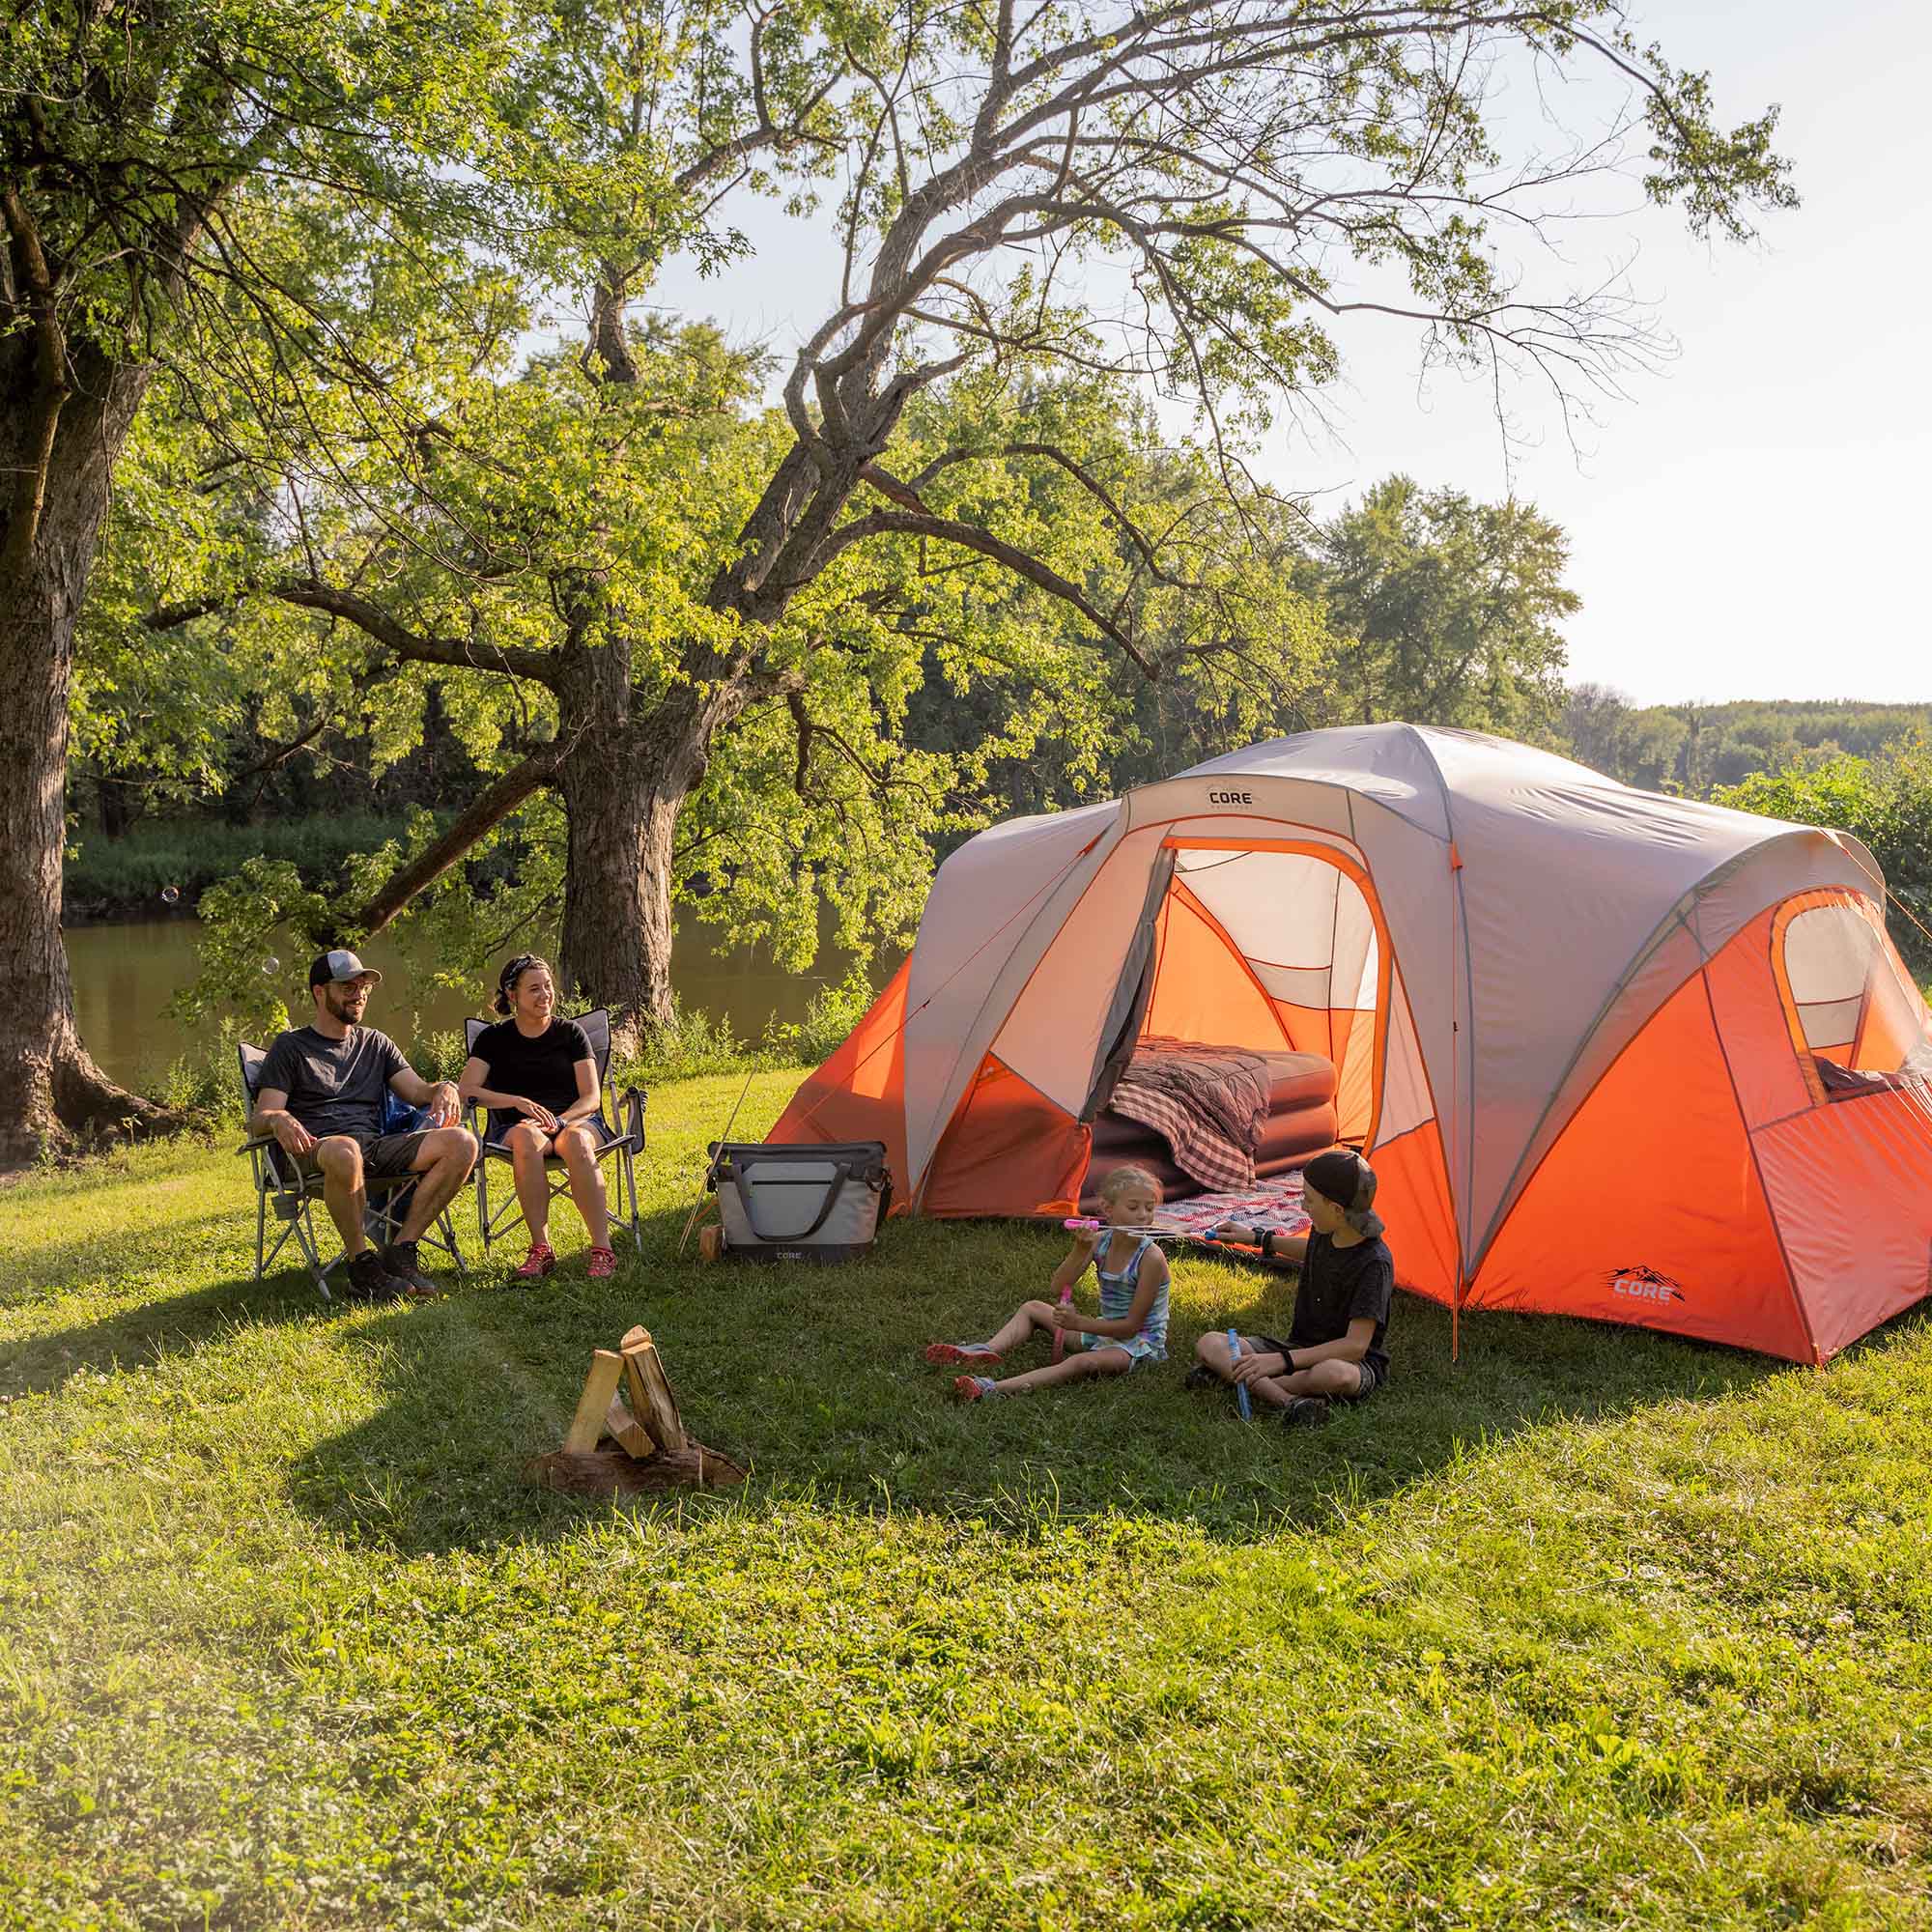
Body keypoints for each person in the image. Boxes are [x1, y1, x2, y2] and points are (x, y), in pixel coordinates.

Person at [250, 950, 478, 1300]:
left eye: (363, 987)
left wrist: (444, 1087)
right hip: (314, 1149)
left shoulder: (375, 1043)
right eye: (348, 987)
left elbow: (417, 1090)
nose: (358, 994)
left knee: (462, 1143)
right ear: (320, 992)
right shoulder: (291, 1047)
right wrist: (279, 1119)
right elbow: (261, 1118)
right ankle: (361, 1265)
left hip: (371, 1147)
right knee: (345, 1149)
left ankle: (401, 1250)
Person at [923, 1164, 1171, 1401]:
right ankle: (984, 1350)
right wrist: (1080, 1247)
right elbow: (1058, 1286)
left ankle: (991, 1388)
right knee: (1032, 1308)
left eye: (1149, 1208)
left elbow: (1130, 1327)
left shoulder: (1151, 1258)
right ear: (1108, 1208)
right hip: (1103, 1331)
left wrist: (1079, 1323)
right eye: (1133, 1207)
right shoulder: (1100, 1242)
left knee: (1082, 1363)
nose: (1143, 1216)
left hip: (1138, 1345)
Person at [1191, 1148, 1393, 1427]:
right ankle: (1290, 1401)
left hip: (1347, 1362)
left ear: (1335, 1209)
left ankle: (1238, 1377)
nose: (1302, 1207)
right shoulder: (1329, 1231)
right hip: (1299, 1347)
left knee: (1335, 1375)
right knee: (1210, 1342)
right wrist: (1255, 1238)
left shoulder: (1374, 1264)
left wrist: (1281, 1361)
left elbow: (1355, 1346)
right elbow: (1308, 1249)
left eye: (1308, 1200)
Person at [457, 954, 616, 1280]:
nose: (545, 995)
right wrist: (517, 1101)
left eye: (547, 987)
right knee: (527, 1138)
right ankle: (541, 1249)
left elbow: (591, 1097)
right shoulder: (493, 1039)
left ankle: (603, 1250)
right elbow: (466, 1090)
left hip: (576, 1120)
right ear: (512, 996)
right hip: (517, 1127)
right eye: (534, 989)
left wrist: (560, 1121)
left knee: (577, 1141)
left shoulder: (570, 1034)